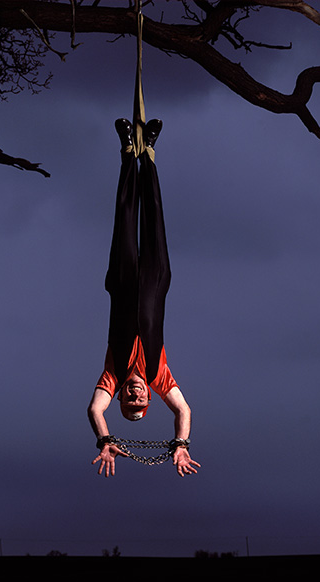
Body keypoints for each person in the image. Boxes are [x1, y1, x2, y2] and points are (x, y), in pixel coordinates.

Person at [87, 117, 200, 478]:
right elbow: (184, 411)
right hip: (154, 280)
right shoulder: (159, 375)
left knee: (124, 214)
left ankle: (126, 150)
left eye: (129, 400)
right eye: (141, 400)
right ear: (150, 398)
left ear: (120, 396)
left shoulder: (112, 375)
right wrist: (181, 445)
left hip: (121, 283)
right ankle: (148, 151)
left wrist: (104, 439)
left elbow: (94, 411)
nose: (136, 395)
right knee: (153, 214)